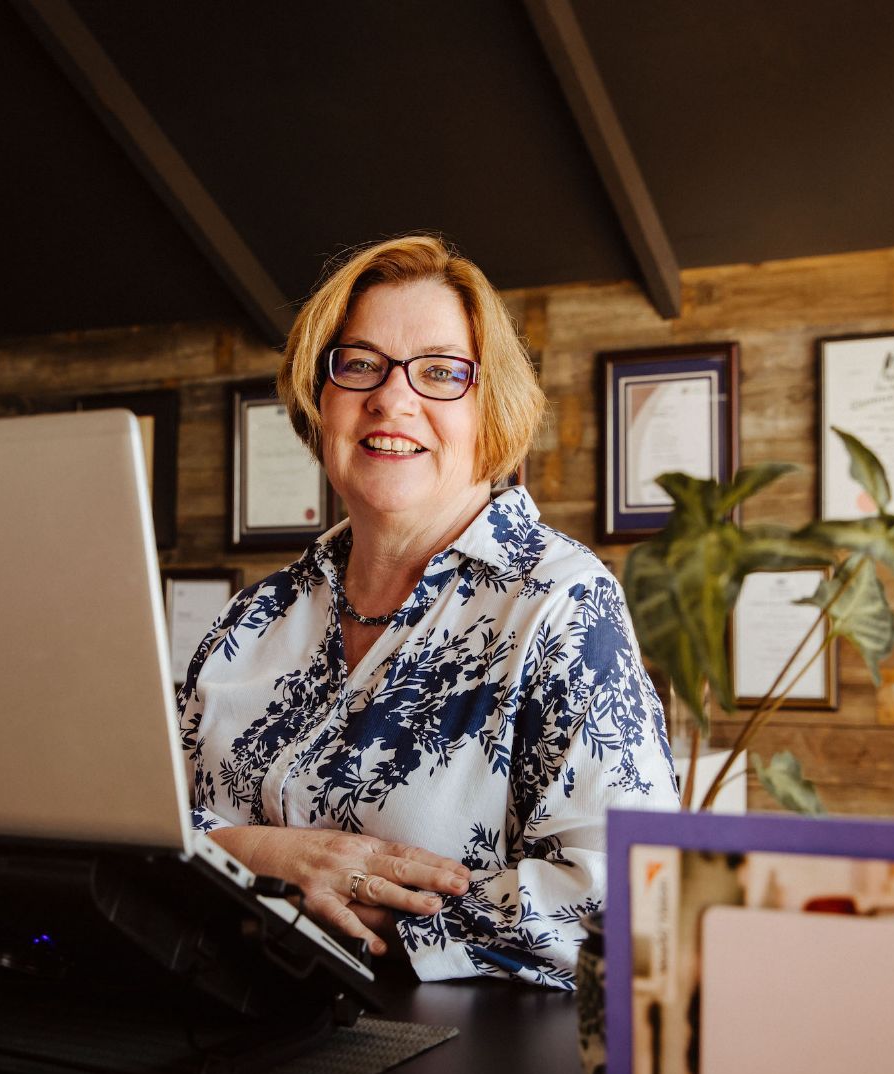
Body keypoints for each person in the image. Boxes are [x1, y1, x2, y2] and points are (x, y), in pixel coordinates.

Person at [178, 235, 678, 989]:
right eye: (360, 364)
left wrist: (385, 905)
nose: (392, 397)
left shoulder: (560, 603)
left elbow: (634, 900)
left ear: (491, 409)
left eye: (441, 371)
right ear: (322, 395)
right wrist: (270, 858)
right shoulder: (253, 617)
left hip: (450, 1066)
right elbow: (147, 824)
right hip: (211, 1026)